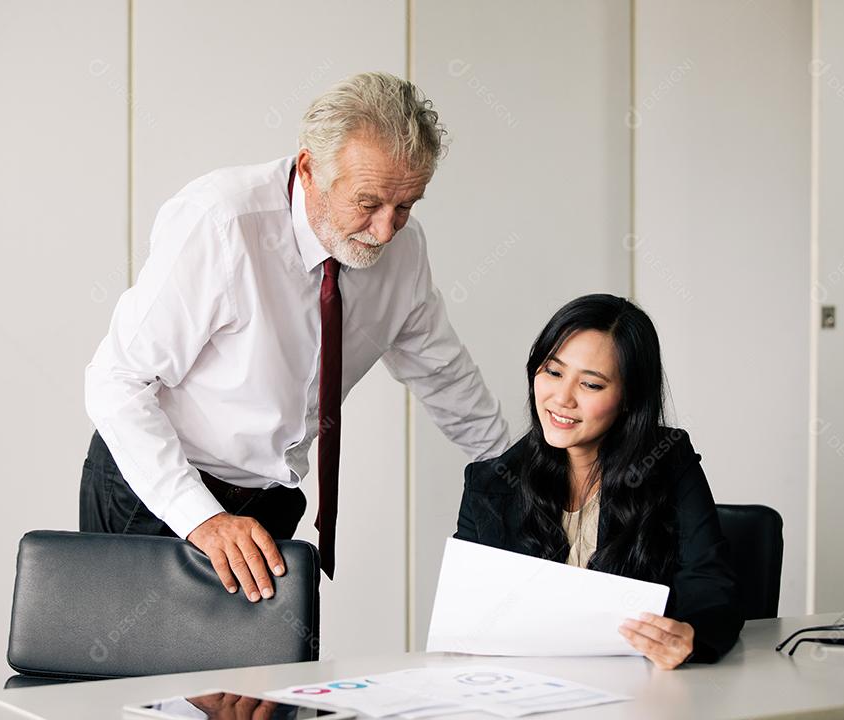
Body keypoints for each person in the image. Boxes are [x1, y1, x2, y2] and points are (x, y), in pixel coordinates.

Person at [81, 72, 510, 604]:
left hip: (268, 505)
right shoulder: (222, 222)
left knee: (258, 662)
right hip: (155, 492)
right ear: (309, 170)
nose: (385, 231)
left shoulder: (403, 251)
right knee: (131, 658)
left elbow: (445, 376)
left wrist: (527, 475)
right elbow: (117, 381)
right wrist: (202, 519)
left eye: (405, 206)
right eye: (368, 203)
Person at [454, 294, 743, 668]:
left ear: (629, 397)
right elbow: (466, 614)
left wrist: (689, 638)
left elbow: (712, 590)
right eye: (553, 372)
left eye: (590, 385)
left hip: (640, 689)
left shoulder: (668, 462)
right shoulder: (489, 484)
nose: (562, 398)